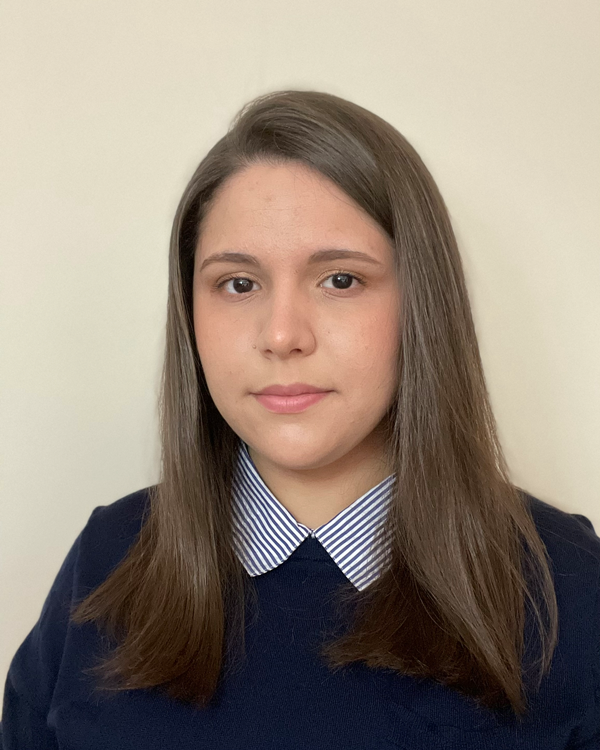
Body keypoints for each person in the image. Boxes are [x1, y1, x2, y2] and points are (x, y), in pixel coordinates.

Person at [2, 89, 599, 749]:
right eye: (238, 284)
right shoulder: (107, 559)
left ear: (421, 307)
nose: (282, 335)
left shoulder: (566, 586)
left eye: (340, 280)